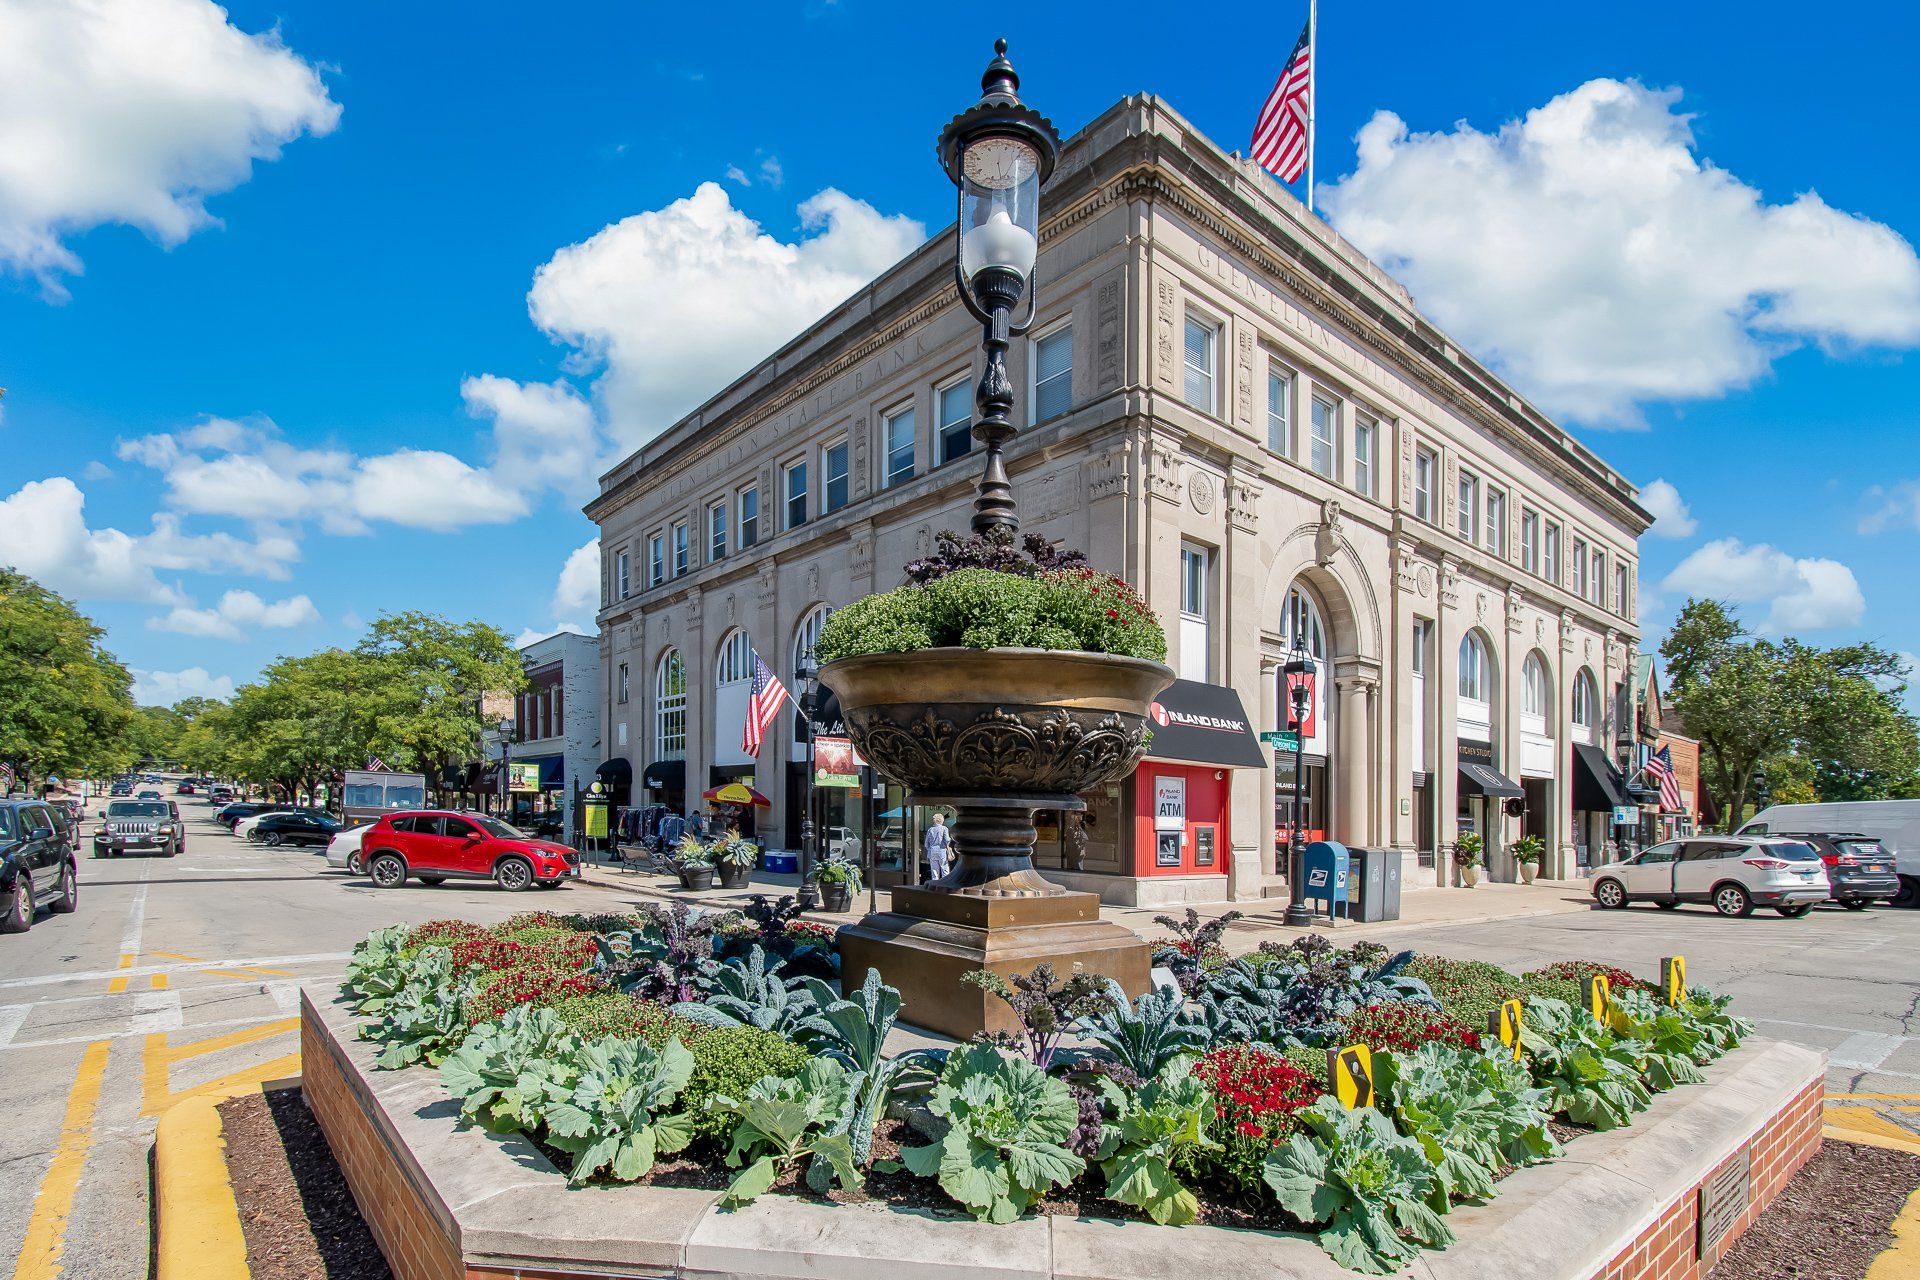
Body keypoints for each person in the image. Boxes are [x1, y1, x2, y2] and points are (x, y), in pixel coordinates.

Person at [923, 811, 952, 882]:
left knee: (934, 871)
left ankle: (935, 886)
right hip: (942, 851)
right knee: (944, 869)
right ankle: (945, 885)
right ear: (942, 820)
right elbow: (947, 840)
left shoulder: (930, 830)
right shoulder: (944, 828)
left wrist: (930, 848)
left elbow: (926, 844)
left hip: (932, 851)